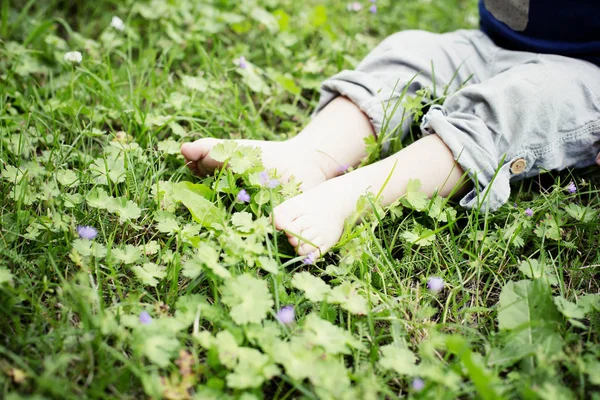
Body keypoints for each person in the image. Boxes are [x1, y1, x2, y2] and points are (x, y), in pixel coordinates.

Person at [181, 0, 600, 258]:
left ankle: (353, 196)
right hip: (490, 45)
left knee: (518, 105)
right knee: (409, 53)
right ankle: (308, 154)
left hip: (583, 78)